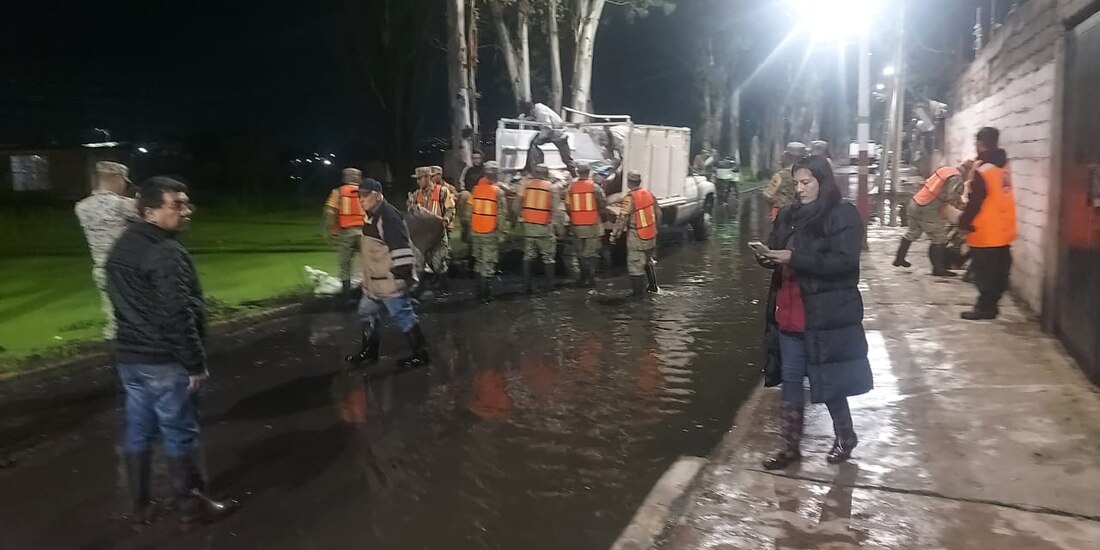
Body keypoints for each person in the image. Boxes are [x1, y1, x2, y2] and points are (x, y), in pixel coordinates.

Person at [105, 176, 238, 529]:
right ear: (149, 211)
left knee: (139, 429)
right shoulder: (165, 252)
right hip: (165, 360)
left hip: (131, 359)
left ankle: (139, 507)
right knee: (180, 430)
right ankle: (191, 505)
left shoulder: (121, 248)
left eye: (186, 203)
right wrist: (194, 363)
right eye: (177, 205)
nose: (186, 210)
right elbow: (178, 313)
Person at [755, 155, 873, 469]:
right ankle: (790, 447)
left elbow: (844, 262)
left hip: (823, 315)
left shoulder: (842, 214)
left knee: (828, 380)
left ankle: (845, 436)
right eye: (796, 183)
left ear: (823, 181)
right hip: (789, 311)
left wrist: (794, 258)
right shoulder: (788, 214)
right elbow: (775, 246)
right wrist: (767, 257)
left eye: (806, 182)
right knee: (791, 380)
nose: (799, 189)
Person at [345, 178, 431, 368]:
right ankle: (370, 352)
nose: (361, 199)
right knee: (366, 312)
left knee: (404, 316)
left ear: (377, 195)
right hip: (374, 283)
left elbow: (401, 249)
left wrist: (400, 278)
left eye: (365, 195)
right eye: (359, 195)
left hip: (389, 282)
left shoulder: (389, 217)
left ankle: (421, 355)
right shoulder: (371, 215)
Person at [74, 161, 140, 340]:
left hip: (101, 267)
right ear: (116, 178)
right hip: (126, 267)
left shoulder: (82, 206)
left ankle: (114, 346)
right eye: (123, 181)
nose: (124, 185)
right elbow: (150, 217)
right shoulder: (121, 204)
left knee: (113, 315)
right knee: (137, 313)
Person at [957, 127, 1016, 320]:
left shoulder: (983, 170)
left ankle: (985, 309)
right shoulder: (1003, 166)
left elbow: (975, 201)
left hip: (986, 229)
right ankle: (992, 306)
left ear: (980, 143)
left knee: (984, 273)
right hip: (1003, 228)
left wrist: (963, 222)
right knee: (999, 272)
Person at [893, 164, 967, 276]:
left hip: (916, 202)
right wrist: (963, 207)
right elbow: (952, 196)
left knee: (913, 232)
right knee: (939, 237)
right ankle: (939, 269)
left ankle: (899, 258)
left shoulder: (945, 170)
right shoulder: (957, 178)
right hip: (928, 207)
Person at [514, 164, 565, 293]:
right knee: (548, 257)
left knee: (528, 256)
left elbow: (515, 206)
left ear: (535, 173)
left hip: (528, 227)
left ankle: (527, 286)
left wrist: (522, 217)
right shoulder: (551, 188)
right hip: (544, 227)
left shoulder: (525, 185)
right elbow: (557, 211)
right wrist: (560, 230)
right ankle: (549, 286)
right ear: (546, 174)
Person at [407, 166, 457, 294]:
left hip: (437, 234)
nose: (418, 181)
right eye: (417, 179)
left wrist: (446, 219)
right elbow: (411, 212)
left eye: (420, 178)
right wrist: (410, 206)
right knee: (419, 262)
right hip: (422, 236)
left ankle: (444, 289)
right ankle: (419, 290)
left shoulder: (442, 192)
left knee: (438, 263)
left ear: (428, 177)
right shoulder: (416, 194)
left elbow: (450, 208)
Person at [611, 171, 661, 297]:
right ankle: (653, 287)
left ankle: (637, 296)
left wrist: (615, 235)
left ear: (628, 182)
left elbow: (622, 218)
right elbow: (658, 213)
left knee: (635, 264)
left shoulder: (629, 198)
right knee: (648, 260)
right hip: (650, 234)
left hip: (637, 236)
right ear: (639, 181)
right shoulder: (649, 193)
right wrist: (655, 230)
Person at [466, 161, 508, 303]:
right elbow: (501, 215)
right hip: (490, 232)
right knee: (488, 263)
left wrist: (469, 228)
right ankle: (486, 296)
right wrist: (502, 233)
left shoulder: (475, 189)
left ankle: (478, 293)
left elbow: (468, 211)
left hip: (475, 231)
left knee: (478, 262)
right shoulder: (498, 192)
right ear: (496, 174)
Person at [323, 168, 366, 300]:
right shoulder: (366, 192)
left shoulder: (338, 192)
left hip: (348, 232)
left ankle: (346, 296)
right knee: (368, 262)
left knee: (345, 263)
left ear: (345, 178)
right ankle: (369, 291)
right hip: (365, 232)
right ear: (359, 178)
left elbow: (330, 212)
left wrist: (330, 230)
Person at [566, 161, 608, 287]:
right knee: (592, 252)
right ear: (589, 172)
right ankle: (591, 277)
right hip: (592, 224)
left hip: (577, 225)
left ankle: (582, 277)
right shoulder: (595, 187)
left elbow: (567, 206)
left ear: (578, 172)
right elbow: (602, 203)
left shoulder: (571, 187)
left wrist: (574, 216)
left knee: (580, 253)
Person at [519, 100, 575, 175]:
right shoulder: (536, 108)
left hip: (558, 133)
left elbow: (548, 129)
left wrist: (539, 138)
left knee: (566, 157)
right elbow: (531, 117)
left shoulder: (541, 113)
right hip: (550, 132)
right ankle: (531, 167)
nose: (530, 116)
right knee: (532, 144)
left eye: (529, 114)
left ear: (532, 110)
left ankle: (574, 172)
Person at [764, 142, 806, 221]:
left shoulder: (781, 176)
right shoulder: (810, 174)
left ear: (787, 157)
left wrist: (777, 202)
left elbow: (768, 195)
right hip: (804, 215)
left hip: (784, 215)